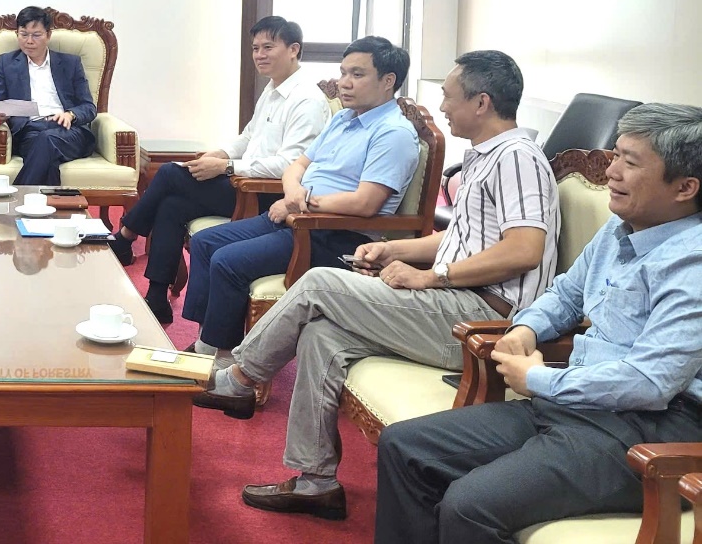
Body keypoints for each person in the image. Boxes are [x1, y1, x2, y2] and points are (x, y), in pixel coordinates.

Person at [194, 50, 559, 521]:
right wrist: (393, 250)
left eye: (449, 97)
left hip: (483, 323)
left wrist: (430, 276)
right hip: (455, 302)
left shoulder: (517, 159)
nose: (443, 106)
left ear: (482, 102)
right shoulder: (488, 157)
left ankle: (241, 377)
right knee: (321, 335)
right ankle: (316, 482)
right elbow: (464, 240)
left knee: (319, 282)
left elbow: (524, 250)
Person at [375, 103, 702, 544]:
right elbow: (566, 294)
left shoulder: (691, 264)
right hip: (580, 403)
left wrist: (539, 379)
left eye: (630, 162)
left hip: (648, 431)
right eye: (615, 155)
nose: (611, 172)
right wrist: (525, 329)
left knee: (469, 506)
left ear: (685, 188)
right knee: (404, 446)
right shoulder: (621, 227)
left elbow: (650, 382)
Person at [182, 36, 420, 365]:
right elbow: (298, 164)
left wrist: (302, 202)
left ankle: (224, 361)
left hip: (336, 234)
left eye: (357, 74)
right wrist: (293, 191)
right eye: (343, 72)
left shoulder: (393, 133)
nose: (344, 83)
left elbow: (366, 204)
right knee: (205, 242)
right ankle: (206, 342)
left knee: (228, 260)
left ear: (388, 80)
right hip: (298, 217)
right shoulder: (343, 119)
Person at [109, 16, 331, 324]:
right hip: (243, 182)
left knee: (170, 174)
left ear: (293, 49)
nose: (259, 55)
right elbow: (249, 137)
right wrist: (221, 154)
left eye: (268, 47)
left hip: (267, 195)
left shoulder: (306, 100)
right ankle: (157, 297)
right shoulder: (273, 89)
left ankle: (125, 237)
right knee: (172, 205)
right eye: (255, 48)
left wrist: (225, 166)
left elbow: (290, 164)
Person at [0, 6, 97, 186]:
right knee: (47, 157)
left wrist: (70, 115)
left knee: (46, 140)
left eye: (36, 35)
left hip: (68, 131)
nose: (29, 41)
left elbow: (89, 107)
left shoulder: (70, 63)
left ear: (48, 35)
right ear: (17, 34)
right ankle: (48, 203)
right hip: (30, 131)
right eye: (23, 34)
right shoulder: (6, 63)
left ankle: (14, 197)